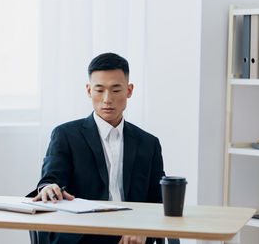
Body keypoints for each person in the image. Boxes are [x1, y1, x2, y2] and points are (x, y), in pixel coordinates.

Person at [30, 53, 165, 244]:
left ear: (129, 90)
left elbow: (158, 203)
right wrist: (48, 187)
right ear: (88, 90)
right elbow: (51, 179)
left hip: (132, 232)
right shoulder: (66, 135)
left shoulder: (148, 143)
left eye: (116, 90)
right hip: (83, 234)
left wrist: (143, 230)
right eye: (99, 90)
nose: (107, 99)